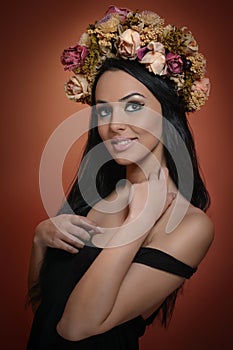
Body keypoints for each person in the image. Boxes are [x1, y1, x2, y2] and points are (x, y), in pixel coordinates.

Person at [26, 6, 214, 349]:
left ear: (167, 114)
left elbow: (76, 327)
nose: (114, 124)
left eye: (133, 105)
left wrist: (137, 223)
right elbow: (45, 308)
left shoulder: (189, 224)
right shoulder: (94, 195)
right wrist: (40, 239)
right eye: (103, 109)